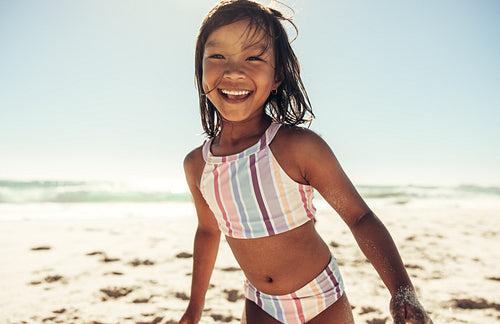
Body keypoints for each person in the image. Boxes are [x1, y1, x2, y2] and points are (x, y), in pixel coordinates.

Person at [179, 1, 433, 323]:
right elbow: (207, 231)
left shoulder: (298, 148)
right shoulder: (198, 165)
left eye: (254, 57)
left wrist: (401, 290)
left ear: (277, 76)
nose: (234, 71)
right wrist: (195, 307)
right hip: (259, 301)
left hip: (320, 295)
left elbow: (360, 217)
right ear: (200, 70)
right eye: (217, 56)